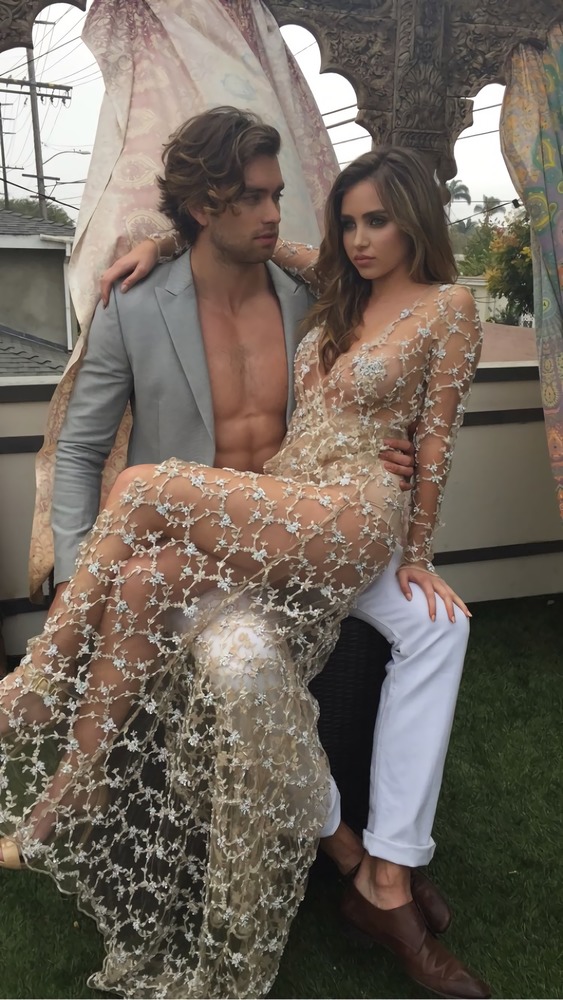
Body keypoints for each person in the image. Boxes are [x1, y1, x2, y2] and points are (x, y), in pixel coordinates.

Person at [0, 109, 488, 1000]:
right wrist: (74, 575)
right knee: (155, 590)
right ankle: (88, 795)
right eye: (254, 199)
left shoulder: (309, 290)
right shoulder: (136, 301)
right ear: (202, 206)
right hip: (216, 548)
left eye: (277, 197)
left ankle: (36, 696)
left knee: (395, 635)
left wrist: (405, 515)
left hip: (316, 522)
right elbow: (76, 453)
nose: (275, 216)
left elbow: (407, 376)